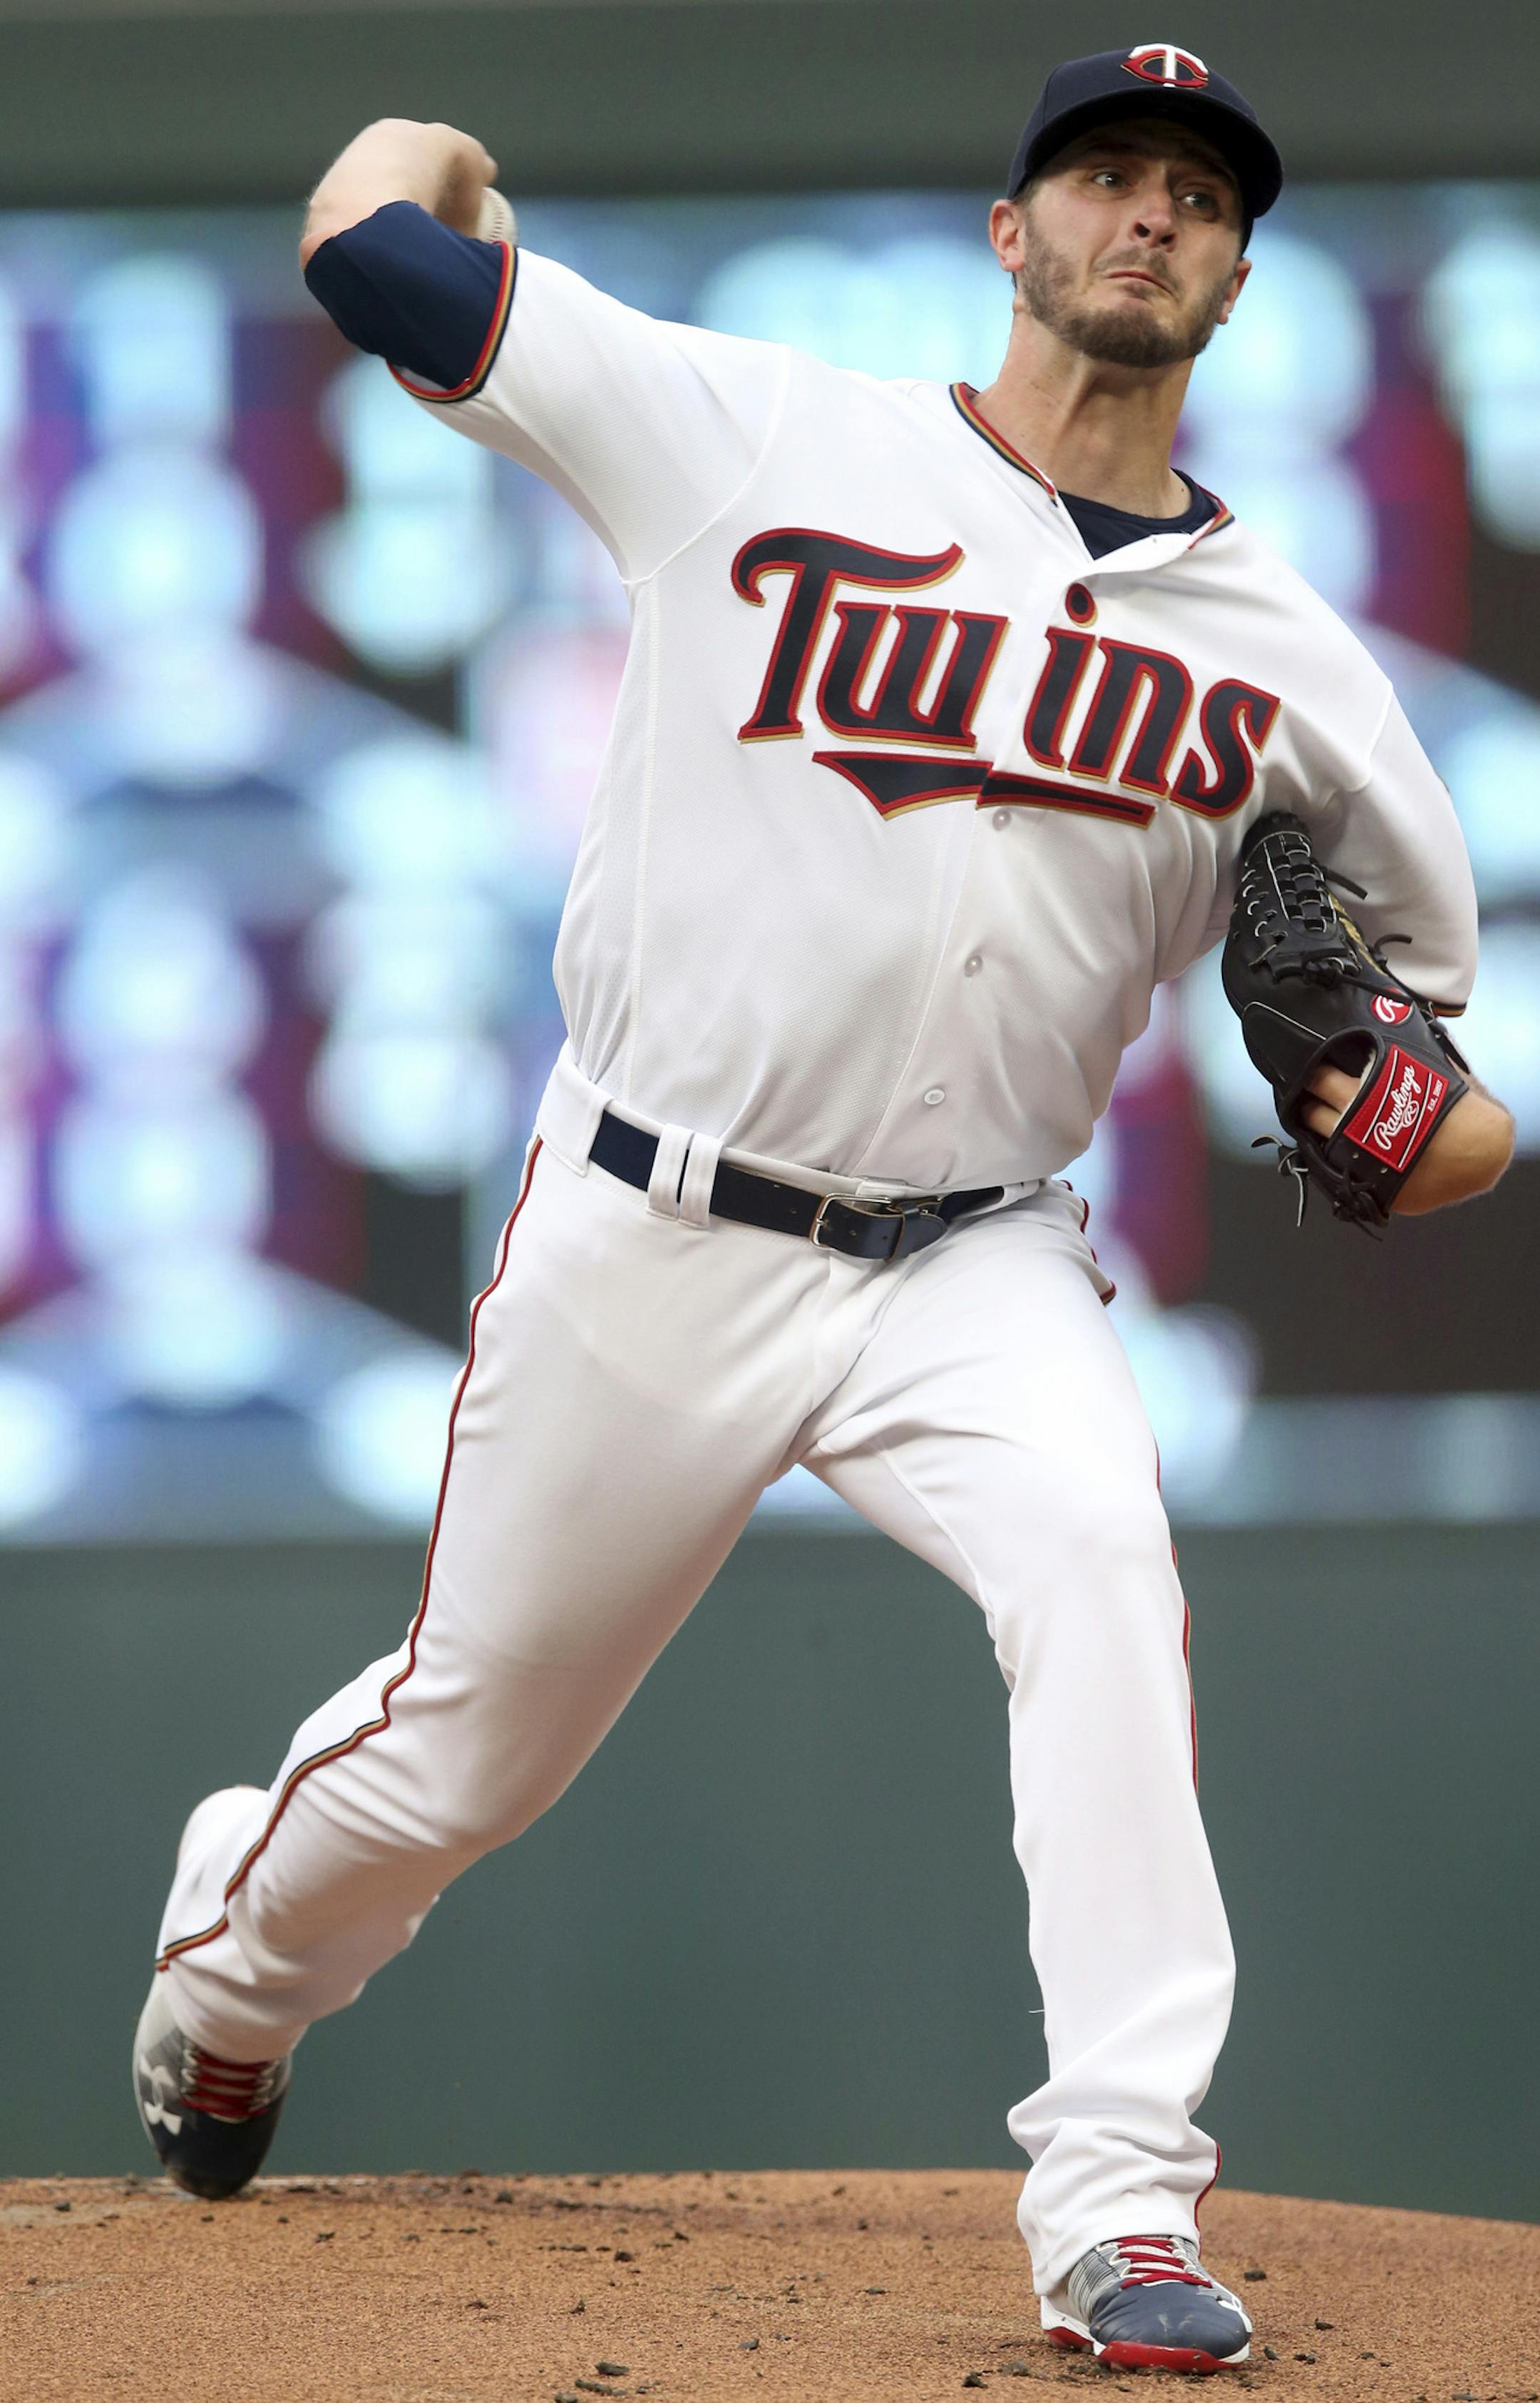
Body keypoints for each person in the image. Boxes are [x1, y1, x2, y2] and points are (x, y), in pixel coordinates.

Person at [131, 43, 1513, 2374]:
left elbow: (1448, 1097)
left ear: (1248, 273)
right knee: (476, 1750)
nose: (1146, 217)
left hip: (976, 1253)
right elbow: (374, 253)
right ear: (1012, 233)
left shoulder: (1292, 662)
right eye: (1103, 178)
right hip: (656, 1220)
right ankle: (233, 1968)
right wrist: (454, 145)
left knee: (1099, 1564)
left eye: (1195, 194)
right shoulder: (757, 432)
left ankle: (1120, 2200)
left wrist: (1389, 1107)